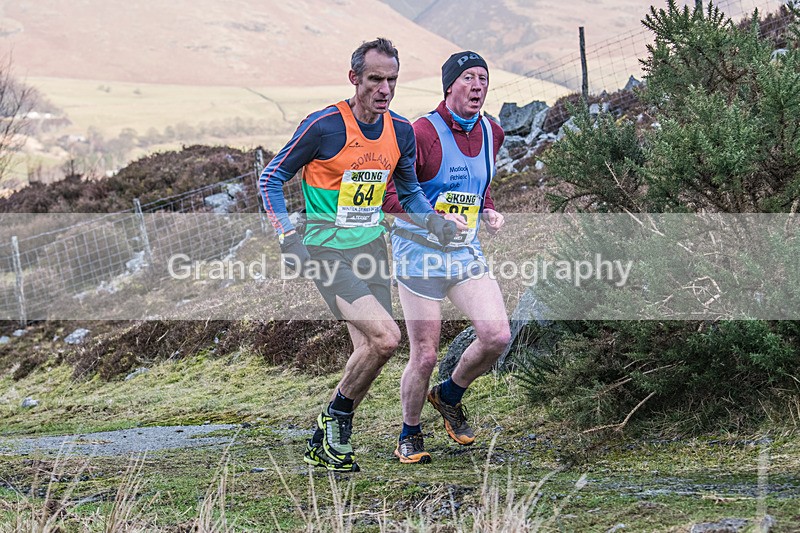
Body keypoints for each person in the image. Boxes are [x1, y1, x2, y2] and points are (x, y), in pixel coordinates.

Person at [258, 38, 457, 472]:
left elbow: (409, 192)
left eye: (392, 80)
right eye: (375, 79)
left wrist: (436, 222)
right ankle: (335, 424)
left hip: (371, 248)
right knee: (387, 338)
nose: (384, 89)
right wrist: (286, 235)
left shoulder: (400, 131)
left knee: (368, 349)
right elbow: (271, 176)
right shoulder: (324, 126)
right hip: (326, 250)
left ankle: (324, 442)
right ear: (355, 79)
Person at [383, 51, 512, 464]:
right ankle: (409, 432)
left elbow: (479, 184)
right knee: (425, 354)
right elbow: (389, 196)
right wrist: (433, 220)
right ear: (449, 86)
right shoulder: (422, 132)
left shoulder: (493, 131)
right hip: (417, 251)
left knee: (497, 337)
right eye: (469, 78)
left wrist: (487, 208)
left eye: (483, 78)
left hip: (463, 251)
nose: (478, 86)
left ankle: (449, 394)